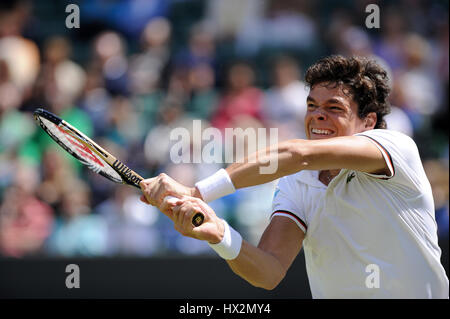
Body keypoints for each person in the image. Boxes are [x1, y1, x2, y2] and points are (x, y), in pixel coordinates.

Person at [139, 55, 449, 298]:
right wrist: (219, 233)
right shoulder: (297, 182)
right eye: (312, 106)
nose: (317, 115)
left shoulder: (396, 147)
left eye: (334, 108)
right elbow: (268, 272)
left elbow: (298, 154)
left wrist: (197, 191)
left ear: (368, 122)